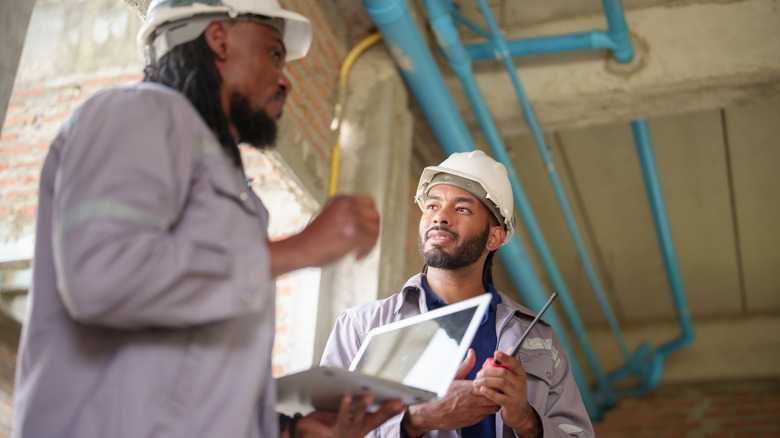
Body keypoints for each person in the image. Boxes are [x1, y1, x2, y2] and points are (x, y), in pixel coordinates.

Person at [12, 1, 404, 437]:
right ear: (219, 39)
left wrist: (286, 431)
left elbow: (192, 368)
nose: (284, 79)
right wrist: (299, 249)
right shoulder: (137, 113)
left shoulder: (220, 170)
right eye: (275, 54)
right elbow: (102, 276)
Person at [320, 150, 595, 437]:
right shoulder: (362, 327)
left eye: (461, 209)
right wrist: (415, 420)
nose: (440, 217)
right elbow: (322, 432)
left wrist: (527, 420)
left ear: (494, 237)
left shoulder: (540, 340)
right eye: (432, 205)